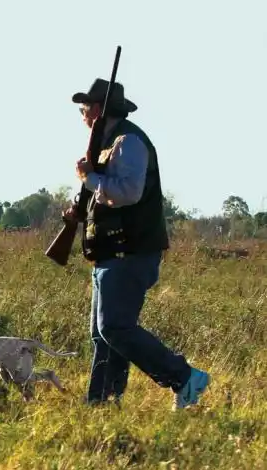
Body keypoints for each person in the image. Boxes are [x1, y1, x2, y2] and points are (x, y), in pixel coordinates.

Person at [65, 78, 209, 410]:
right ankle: (102, 405)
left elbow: (128, 193)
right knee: (104, 336)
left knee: (114, 327)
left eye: (85, 109)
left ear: (99, 110)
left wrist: (89, 177)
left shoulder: (128, 141)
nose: (83, 115)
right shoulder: (108, 143)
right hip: (110, 254)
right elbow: (105, 194)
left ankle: (185, 378)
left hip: (129, 252)